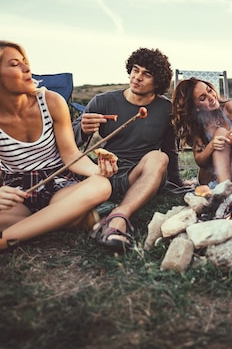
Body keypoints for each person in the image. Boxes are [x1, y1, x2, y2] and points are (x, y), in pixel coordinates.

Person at [0, 41, 117, 280]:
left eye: (25, 62)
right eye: (15, 64)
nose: (28, 69)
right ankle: (66, 218)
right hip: (19, 196)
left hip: (60, 184)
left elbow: (70, 156)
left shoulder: (51, 102)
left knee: (101, 185)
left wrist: (96, 171)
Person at [72, 47, 183, 252]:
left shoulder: (166, 109)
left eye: (146, 74)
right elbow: (69, 144)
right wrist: (84, 130)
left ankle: (119, 216)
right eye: (135, 70)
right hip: (104, 172)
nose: (137, 77)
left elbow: (170, 151)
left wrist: (176, 183)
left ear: (157, 82)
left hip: (139, 175)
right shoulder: (103, 101)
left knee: (158, 158)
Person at [171, 77, 232, 186]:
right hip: (211, 175)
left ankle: (222, 186)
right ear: (195, 107)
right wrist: (212, 146)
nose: (211, 97)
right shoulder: (196, 124)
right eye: (203, 98)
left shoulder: (229, 108)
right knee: (221, 133)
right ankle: (224, 185)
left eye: (209, 90)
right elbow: (200, 160)